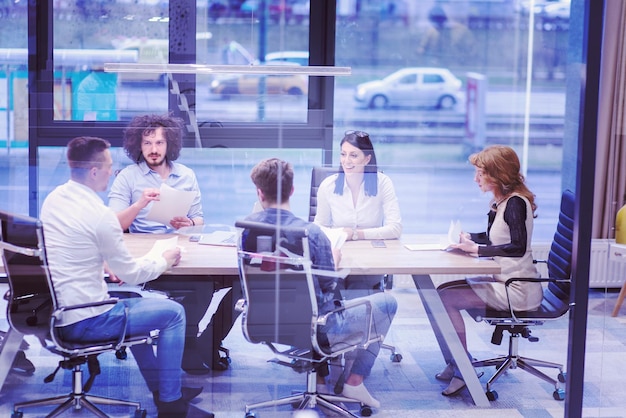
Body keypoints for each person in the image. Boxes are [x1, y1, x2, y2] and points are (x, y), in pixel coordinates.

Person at [40, 136, 209, 418]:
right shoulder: (100, 214)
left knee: (133, 300)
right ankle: (171, 406)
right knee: (173, 313)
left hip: (59, 309)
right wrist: (163, 259)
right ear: (94, 171)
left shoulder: (56, 198)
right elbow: (131, 271)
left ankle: (165, 387)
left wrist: (100, 262)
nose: (112, 170)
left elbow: (71, 243)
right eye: (108, 165)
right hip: (85, 319)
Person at [241, 157, 398, 409]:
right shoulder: (311, 234)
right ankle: (354, 383)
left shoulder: (246, 231)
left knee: (308, 305)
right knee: (387, 302)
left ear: (259, 192)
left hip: (266, 323)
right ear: (292, 190)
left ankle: (321, 382)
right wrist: (333, 262)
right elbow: (327, 286)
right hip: (315, 325)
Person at [108, 113, 236, 375]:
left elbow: (199, 219)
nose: (153, 149)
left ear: (170, 145)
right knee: (198, 289)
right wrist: (140, 204)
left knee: (224, 282)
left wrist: (188, 223)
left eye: (159, 143)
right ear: (137, 145)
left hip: (181, 249)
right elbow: (113, 223)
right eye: (147, 143)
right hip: (146, 255)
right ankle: (186, 345)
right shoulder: (128, 177)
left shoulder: (186, 175)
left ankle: (199, 342)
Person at [436, 145, 542, 396]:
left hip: (517, 289)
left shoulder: (516, 203)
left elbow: (517, 247)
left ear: (497, 174)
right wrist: (469, 238)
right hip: (505, 280)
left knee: (446, 299)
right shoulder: (503, 202)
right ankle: (456, 362)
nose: (476, 179)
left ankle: (464, 371)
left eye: (480, 173)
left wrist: (476, 251)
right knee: (440, 293)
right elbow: (495, 237)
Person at [313, 130, 402, 296]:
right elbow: (318, 227)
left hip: (370, 259)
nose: (347, 161)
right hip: (337, 256)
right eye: (343, 154)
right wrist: (338, 235)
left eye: (354, 155)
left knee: (357, 292)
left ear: (367, 159)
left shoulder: (382, 183)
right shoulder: (328, 186)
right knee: (334, 291)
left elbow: (395, 228)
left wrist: (355, 234)